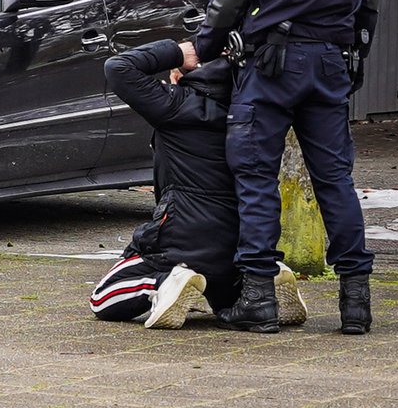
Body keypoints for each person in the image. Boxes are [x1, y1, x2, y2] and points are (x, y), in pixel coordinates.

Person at [182, 0, 377, 335]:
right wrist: (356, 53)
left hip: (271, 66)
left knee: (255, 178)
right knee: (335, 179)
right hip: (330, 62)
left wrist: (202, 49)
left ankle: (259, 300)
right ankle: (356, 303)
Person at [92, 40, 306, 329]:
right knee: (225, 304)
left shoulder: (174, 104)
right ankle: (263, 281)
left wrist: (179, 51)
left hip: (181, 241)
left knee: (104, 298)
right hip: (241, 247)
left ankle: (163, 281)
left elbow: (118, 67)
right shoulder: (258, 113)